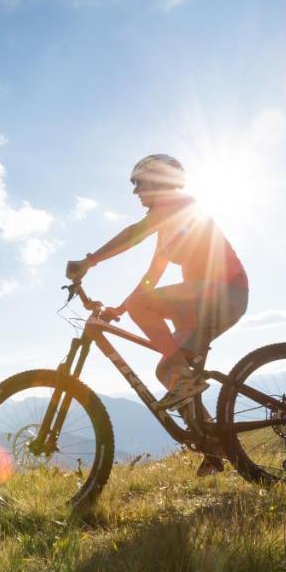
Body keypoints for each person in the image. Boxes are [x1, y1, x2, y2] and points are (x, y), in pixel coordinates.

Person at [66, 154, 248, 476]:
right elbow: (153, 275)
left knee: (179, 372)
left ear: (160, 181)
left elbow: (134, 233)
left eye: (139, 183)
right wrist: (122, 308)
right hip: (205, 300)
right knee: (169, 372)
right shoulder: (168, 226)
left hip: (222, 292)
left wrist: (89, 261)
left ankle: (189, 383)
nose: (135, 192)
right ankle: (213, 447)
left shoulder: (180, 204)